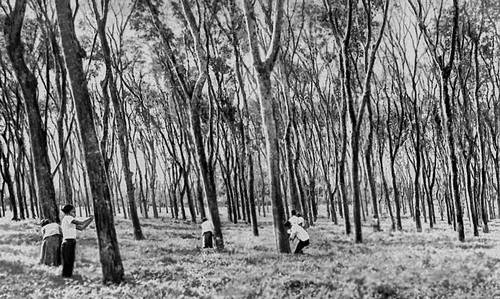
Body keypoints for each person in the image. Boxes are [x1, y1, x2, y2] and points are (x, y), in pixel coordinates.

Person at [61, 204, 94, 278]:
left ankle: (68, 276)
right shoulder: (67, 217)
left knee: (70, 260)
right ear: (69, 212)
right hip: (67, 242)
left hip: (71, 241)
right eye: (73, 212)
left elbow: (82, 228)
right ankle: (66, 276)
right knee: (68, 260)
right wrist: (89, 218)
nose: (75, 214)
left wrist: (90, 220)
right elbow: (80, 223)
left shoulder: (70, 221)